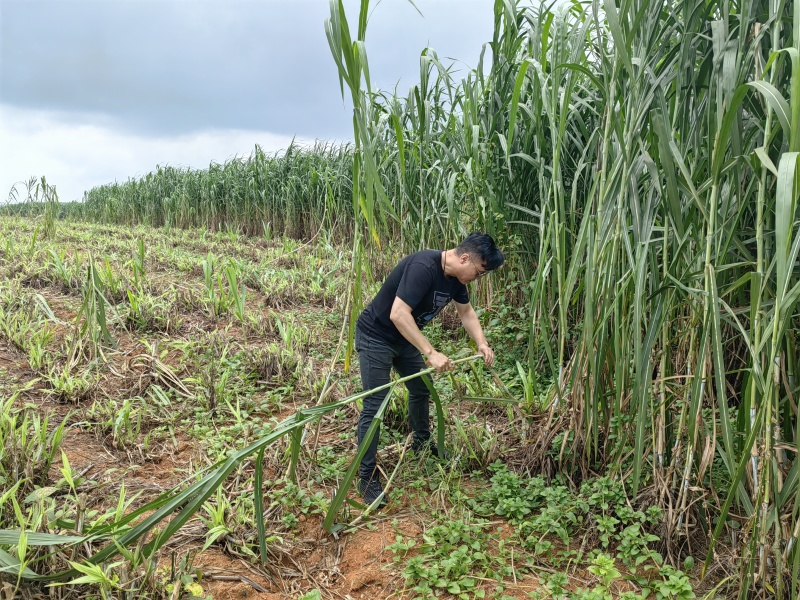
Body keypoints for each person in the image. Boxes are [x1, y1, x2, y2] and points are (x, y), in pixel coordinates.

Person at [354, 232, 504, 506]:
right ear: (465, 258)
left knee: (421, 390)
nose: (477, 278)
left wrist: (481, 342)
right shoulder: (424, 266)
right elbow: (398, 314)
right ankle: (365, 476)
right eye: (479, 272)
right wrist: (431, 352)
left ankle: (421, 445)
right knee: (375, 405)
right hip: (376, 336)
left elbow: (466, 313)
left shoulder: (456, 280)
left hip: (403, 338)